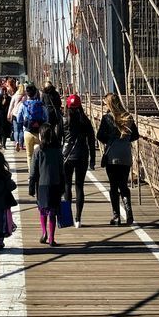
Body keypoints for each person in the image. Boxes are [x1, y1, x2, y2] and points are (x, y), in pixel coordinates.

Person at [97, 92, 139, 226]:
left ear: (109, 104)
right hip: (125, 155)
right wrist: (124, 141)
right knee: (124, 185)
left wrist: (109, 142)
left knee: (114, 186)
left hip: (112, 156)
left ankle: (116, 216)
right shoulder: (128, 117)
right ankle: (129, 214)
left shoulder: (107, 118)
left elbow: (99, 136)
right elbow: (135, 135)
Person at [61, 93, 96, 228]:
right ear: (80, 105)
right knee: (79, 186)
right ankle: (78, 219)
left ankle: (68, 216)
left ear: (68, 106)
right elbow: (91, 141)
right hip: (82, 156)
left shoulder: (64, 120)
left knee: (67, 185)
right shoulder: (85, 121)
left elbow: (59, 138)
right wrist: (92, 159)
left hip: (67, 156)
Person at [29, 122, 65, 247]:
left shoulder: (38, 151)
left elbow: (33, 171)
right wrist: (63, 185)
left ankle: (44, 232)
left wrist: (31, 186)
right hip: (55, 184)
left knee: (43, 210)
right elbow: (62, 170)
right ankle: (51, 238)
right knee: (53, 212)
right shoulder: (57, 151)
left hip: (42, 185)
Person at [19, 82, 48, 165]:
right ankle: (39, 171)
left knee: (29, 155)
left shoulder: (23, 105)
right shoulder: (41, 105)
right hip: (39, 132)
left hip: (27, 132)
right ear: (36, 93)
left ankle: (31, 175)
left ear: (26, 93)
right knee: (40, 154)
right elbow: (46, 118)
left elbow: (18, 119)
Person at [8, 83, 27, 152]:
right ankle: (21, 145)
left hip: (15, 114)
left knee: (16, 130)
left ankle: (16, 142)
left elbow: (11, 105)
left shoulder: (15, 95)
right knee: (21, 130)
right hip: (22, 115)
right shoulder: (25, 96)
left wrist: (9, 114)